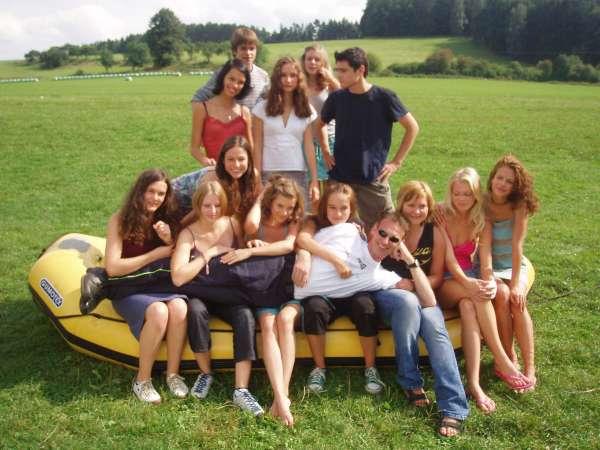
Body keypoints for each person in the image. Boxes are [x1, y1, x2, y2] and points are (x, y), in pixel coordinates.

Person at [294, 211, 436, 398]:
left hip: (349, 300)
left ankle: (371, 369)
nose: (385, 241)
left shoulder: (381, 276)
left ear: (399, 244)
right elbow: (304, 239)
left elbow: (429, 300)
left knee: (366, 305)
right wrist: (303, 255)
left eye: (394, 239)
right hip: (306, 293)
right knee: (314, 307)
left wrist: (409, 259)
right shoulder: (348, 232)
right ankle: (319, 368)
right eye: (383, 233)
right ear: (374, 229)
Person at [374, 181, 468, 437]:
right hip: (390, 295)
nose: (416, 211)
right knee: (408, 304)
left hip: (423, 292)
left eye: (422, 206)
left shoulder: (434, 232)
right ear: (401, 204)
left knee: (436, 329)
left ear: (429, 207)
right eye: (411, 204)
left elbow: (436, 275)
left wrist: (416, 284)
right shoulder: (391, 228)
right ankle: (410, 380)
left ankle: (453, 406)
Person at [436, 167, 533, 414]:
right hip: (447, 279)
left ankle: (474, 384)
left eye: (467, 194)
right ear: (450, 193)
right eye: (457, 193)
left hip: (469, 277)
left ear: (476, 195)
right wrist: (470, 283)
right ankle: (502, 360)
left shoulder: (481, 218)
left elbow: (485, 255)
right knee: (477, 297)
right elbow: (448, 260)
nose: (461, 199)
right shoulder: (441, 214)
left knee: (470, 306)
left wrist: (488, 279)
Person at [170, 181, 264, 416]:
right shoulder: (188, 234)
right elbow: (178, 277)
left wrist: (251, 245)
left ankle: (241, 389)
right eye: (207, 206)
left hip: (229, 293)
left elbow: (243, 252)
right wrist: (208, 254)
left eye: (217, 205)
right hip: (201, 293)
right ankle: (205, 373)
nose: (213, 211)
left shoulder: (232, 224)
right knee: (196, 311)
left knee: (245, 315)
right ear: (197, 205)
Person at [221, 175, 304, 427]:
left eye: (289, 207)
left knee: (284, 324)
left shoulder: (294, 222)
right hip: (264, 287)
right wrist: (261, 197)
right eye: (279, 205)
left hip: (288, 286)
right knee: (268, 325)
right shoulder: (258, 222)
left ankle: (282, 396)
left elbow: (288, 246)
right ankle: (280, 397)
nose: (284, 212)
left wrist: (252, 250)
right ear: (269, 202)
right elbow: (249, 226)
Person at [103, 169, 188, 404]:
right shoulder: (120, 220)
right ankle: (142, 380)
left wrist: (169, 240)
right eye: (151, 191)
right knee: (159, 311)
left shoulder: (165, 220)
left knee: (180, 307)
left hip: (156, 283)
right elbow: (113, 268)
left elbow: (178, 259)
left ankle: (172, 375)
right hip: (128, 287)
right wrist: (154, 254)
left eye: (161, 194)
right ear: (140, 190)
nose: (155, 198)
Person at [316, 47, 419, 227]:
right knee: (337, 230)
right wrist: (325, 151)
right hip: (341, 180)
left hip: (373, 179)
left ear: (361, 70)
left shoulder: (385, 98)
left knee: (386, 228)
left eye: (344, 70)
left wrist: (396, 162)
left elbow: (412, 128)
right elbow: (319, 124)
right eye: (337, 70)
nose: (338, 75)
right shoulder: (337, 98)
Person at [485, 155, 540, 390]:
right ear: (492, 178)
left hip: (514, 264)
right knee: (502, 295)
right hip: (492, 266)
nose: (502, 184)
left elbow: (517, 246)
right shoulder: (483, 202)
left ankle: (530, 367)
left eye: (509, 181)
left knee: (517, 301)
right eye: (500, 178)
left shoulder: (519, 205)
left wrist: (517, 283)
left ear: (515, 186)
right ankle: (509, 357)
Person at [252, 56, 320, 208]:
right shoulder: (261, 109)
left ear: (299, 79)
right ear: (276, 78)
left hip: (297, 172)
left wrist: (314, 181)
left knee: (297, 216)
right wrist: (257, 179)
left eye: (293, 75)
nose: (288, 80)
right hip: (269, 173)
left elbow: (309, 147)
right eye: (283, 75)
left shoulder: (306, 110)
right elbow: (257, 146)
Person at [172, 135, 261, 224]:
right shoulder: (213, 180)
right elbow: (197, 213)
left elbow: (260, 201)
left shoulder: (254, 175)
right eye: (230, 159)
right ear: (223, 160)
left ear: (249, 159)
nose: (236, 165)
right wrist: (178, 229)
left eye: (241, 159)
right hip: (176, 198)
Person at [189, 59, 253, 166]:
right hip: (214, 170)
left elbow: (250, 148)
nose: (235, 85)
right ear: (223, 77)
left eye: (240, 82)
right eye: (231, 79)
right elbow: (194, 148)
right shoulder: (202, 109)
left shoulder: (244, 112)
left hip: (239, 171)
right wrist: (205, 160)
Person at [191, 27, 269, 109]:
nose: (248, 53)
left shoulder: (263, 76)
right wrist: (203, 114)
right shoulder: (223, 73)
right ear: (234, 51)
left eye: (252, 48)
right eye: (243, 48)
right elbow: (199, 97)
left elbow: (268, 100)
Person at [300, 44, 340, 193]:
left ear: (323, 62)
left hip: (329, 140)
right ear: (303, 61)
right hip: (306, 141)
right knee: (310, 187)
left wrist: (331, 79)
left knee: (333, 186)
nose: (312, 62)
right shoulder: (298, 84)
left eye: (317, 59)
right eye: (309, 59)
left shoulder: (329, 85)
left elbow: (345, 99)